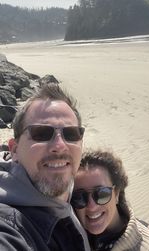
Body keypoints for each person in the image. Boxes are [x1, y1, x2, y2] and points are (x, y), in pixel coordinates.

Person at [0, 83, 90, 250]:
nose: (60, 145)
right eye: (41, 133)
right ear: (14, 150)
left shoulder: (76, 186)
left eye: (71, 134)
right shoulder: (8, 226)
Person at [71, 149, 149, 250]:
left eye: (102, 194)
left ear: (116, 194)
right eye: (79, 197)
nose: (92, 206)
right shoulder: (67, 234)